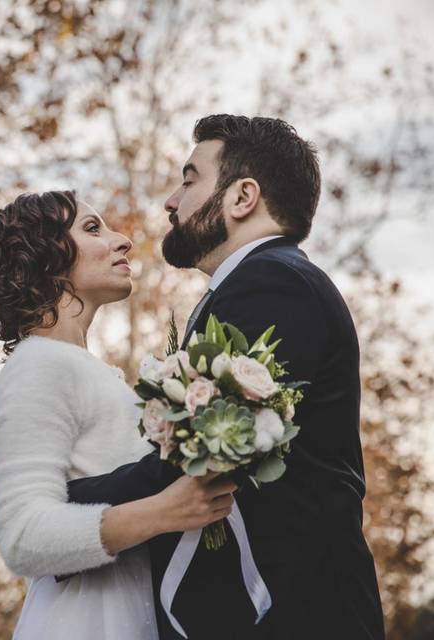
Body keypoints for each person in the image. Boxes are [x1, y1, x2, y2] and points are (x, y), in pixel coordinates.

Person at [66, 115, 385, 639]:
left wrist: (65, 504)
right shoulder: (265, 282)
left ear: (242, 198)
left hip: (297, 615)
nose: (172, 200)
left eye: (189, 180)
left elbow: (202, 454)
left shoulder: (273, 282)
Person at [0, 190, 237, 639]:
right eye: (92, 229)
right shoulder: (38, 363)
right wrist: (165, 511)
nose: (123, 240)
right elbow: (22, 533)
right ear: (46, 257)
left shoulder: (85, 368)